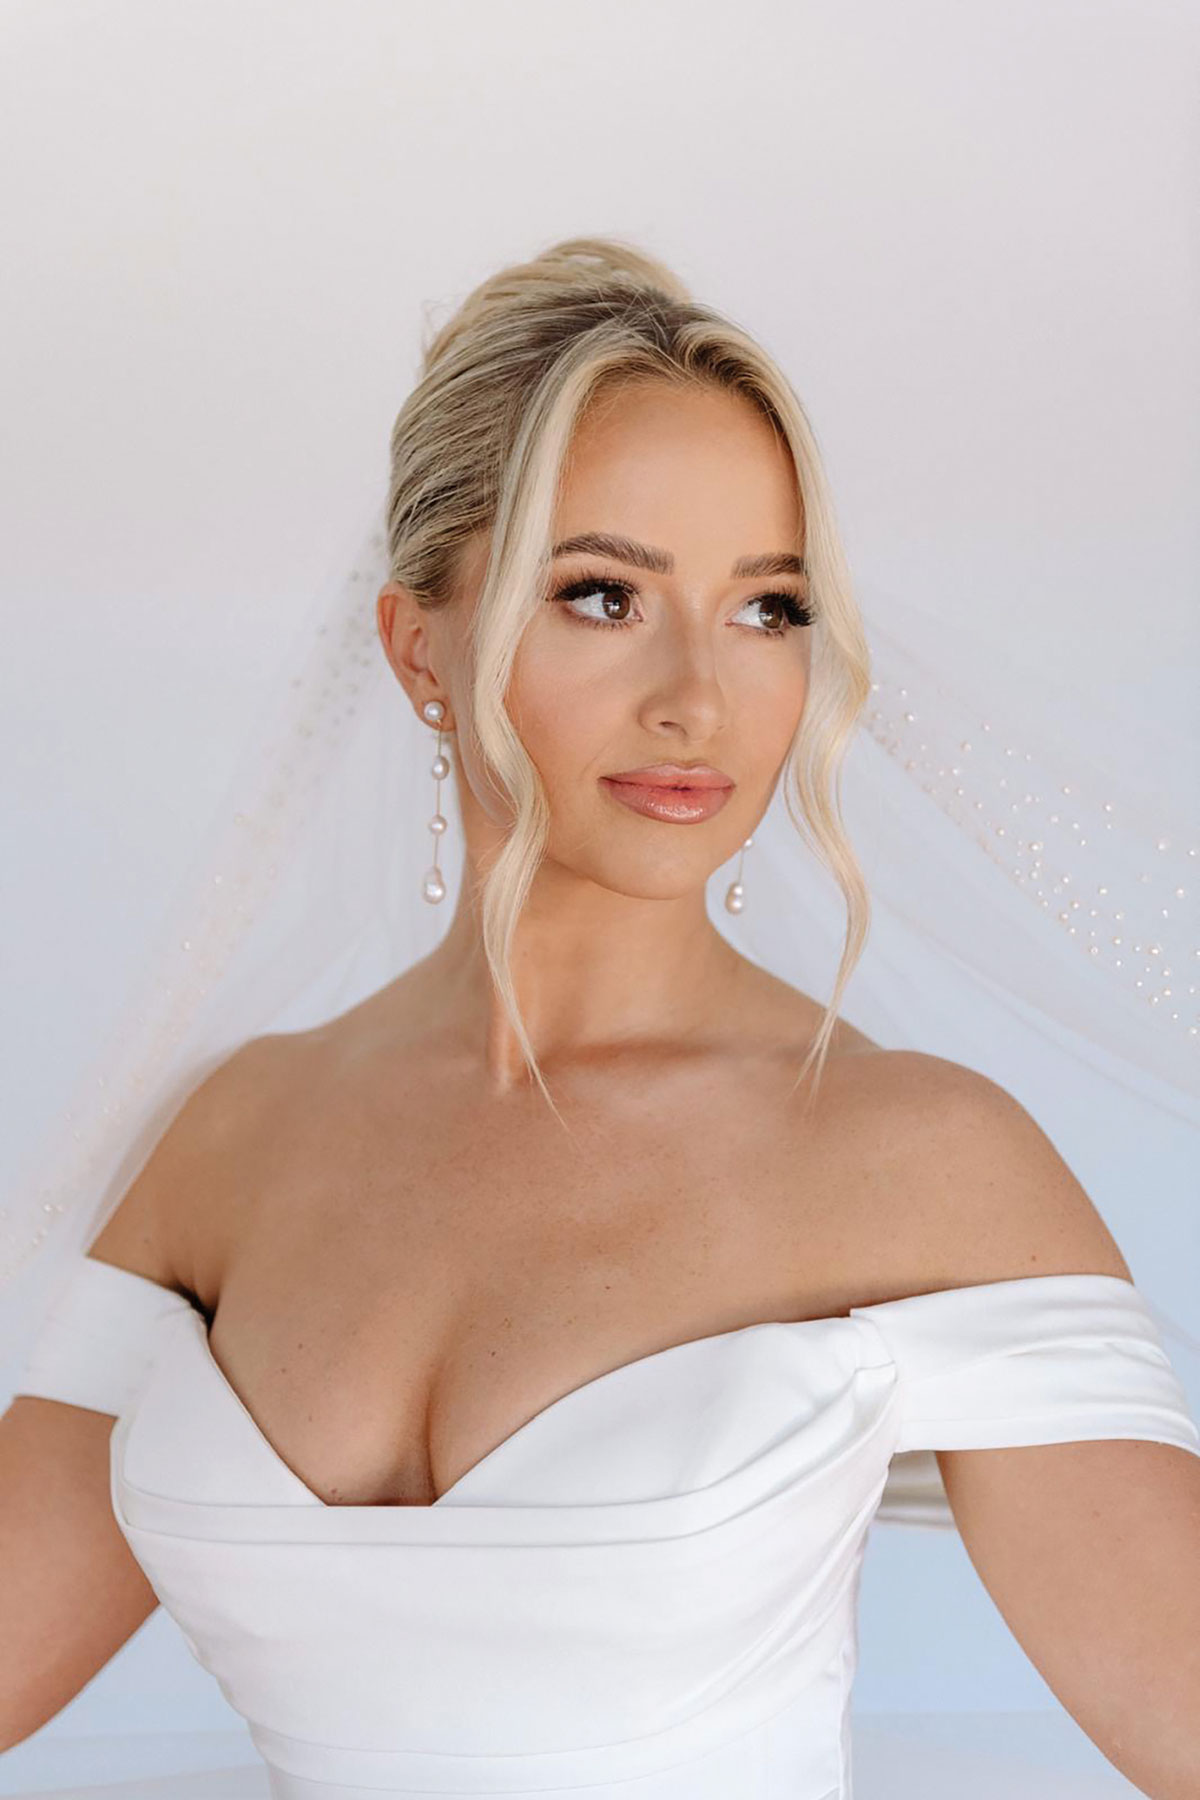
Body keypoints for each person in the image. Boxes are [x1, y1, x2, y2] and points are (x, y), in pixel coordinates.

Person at [3, 236, 1199, 1800]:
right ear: (418, 648)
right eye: (602, 595)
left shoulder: (920, 1159)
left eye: (767, 609)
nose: (698, 697)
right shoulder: (234, 1138)